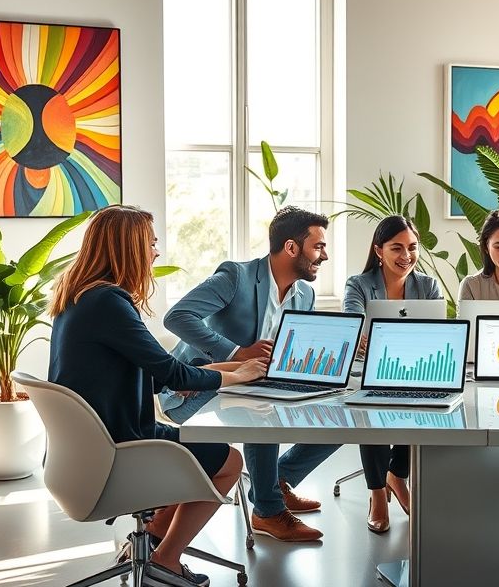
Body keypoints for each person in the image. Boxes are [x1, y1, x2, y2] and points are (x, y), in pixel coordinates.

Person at [48, 205, 267, 587]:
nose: (156, 251)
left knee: (202, 449)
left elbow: (150, 374)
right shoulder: (110, 303)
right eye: (150, 243)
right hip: (123, 446)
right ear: (128, 248)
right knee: (229, 461)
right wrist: (236, 375)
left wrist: (229, 370)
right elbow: (169, 372)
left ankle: (147, 545)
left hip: (91, 445)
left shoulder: (78, 297)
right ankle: (164, 559)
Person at [159, 206, 337, 543]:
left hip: (255, 386)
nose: (324, 255)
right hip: (194, 391)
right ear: (290, 247)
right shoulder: (236, 277)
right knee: (260, 402)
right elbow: (178, 316)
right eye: (318, 246)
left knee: (339, 412)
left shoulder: (306, 295)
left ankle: (277, 481)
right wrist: (236, 353)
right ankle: (267, 511)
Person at [342, 215, 442, 533]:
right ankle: (377, 494)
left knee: (420, 408)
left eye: (412, 247)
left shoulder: (427, 286)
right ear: (379, 250)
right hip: (371, 370)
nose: (406, 256)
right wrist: (358, 333)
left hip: (416, 368)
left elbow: (439, 331)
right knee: (370, 411)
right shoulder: (359, 284)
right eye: (396, 248)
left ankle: (397, 475)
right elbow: (352, 318)